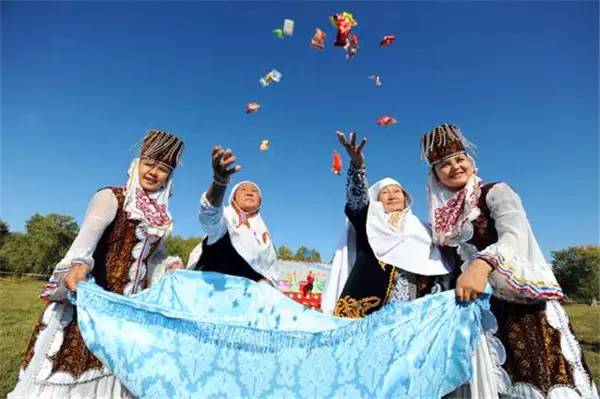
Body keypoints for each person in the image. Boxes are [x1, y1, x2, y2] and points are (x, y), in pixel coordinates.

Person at [421, 122, 597, 398]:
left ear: (470, 161)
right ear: (435, 175)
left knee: (534, 379)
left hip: (520, 304)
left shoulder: (495, 191)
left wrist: (482, 264)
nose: (454, 166)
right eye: (444, 164)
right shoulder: (442, 221)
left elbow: (515, 234)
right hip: (475, 313)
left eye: (459, 158)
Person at [8, 129, 185, 399]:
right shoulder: (111, 197)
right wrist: (79, 265)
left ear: (168, 177)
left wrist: (167, 265)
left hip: (127, 311)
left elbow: (154, 256)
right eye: (149, 164)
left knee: (114, 374)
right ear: (137, 164)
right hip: (91, 302)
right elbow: (86, 238)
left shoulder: (160, 219)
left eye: (162, 169)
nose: (153, 172)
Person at [322, 132, 451, 317]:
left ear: (406, 198)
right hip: (367, 308)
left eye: (397, 191)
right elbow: (356, 200)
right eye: (385, 192)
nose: (392, 195)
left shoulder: (423, 229)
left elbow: (438, 265)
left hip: (414, 311)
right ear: (376, 199)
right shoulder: (369, 220)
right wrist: (358, 166)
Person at [187, 146, 277, 283]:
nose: (249, 192)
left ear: (260, 201)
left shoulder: (264, 238)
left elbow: (270, 272)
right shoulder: (225, 220)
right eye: (243, 190)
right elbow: (209, 215)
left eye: (254, 191)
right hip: (209, 294)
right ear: (233, 198)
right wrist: (219, 183)